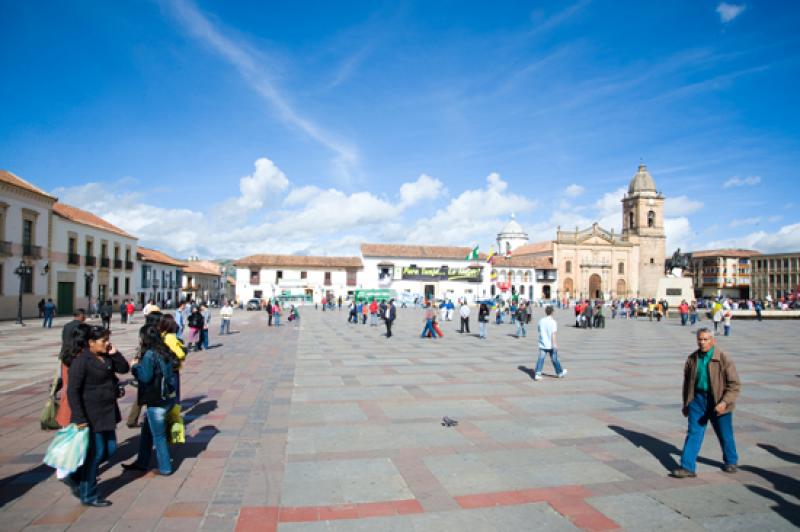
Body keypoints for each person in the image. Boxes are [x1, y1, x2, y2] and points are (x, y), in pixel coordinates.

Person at [66, 326, 130, 507]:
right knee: (95, 454)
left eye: (108, 339)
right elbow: (73, 391)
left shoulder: (106, 356)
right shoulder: (82, 361)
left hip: (107, 412)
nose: (107, 343)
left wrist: (115, 353)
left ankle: (75, 475)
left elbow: (124, 368)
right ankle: (89, 494)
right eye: (103, 340)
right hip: (90, 414)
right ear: (91, 343)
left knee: (109, 450)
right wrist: (79, 418)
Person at [672, 328, 740, 478]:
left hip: (718, 400)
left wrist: (724, 402)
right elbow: (687, 383)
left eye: (705, 339)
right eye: (699, 339)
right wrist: (686, 403)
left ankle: (731, 461)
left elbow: (734, 385)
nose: (702, 342)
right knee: (693, 433)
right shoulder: (692, 358)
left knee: (724, 433)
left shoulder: (723, 358)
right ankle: (687, 467)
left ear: (712, 340)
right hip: (697, 400)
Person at [122, 325, 179, 476]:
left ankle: (165, 467)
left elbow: (146, 376)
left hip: (155, 401)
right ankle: (142, 462)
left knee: (158, 437)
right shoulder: (165, 351)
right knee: (147, 432)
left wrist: (134, 367)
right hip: (166, 397)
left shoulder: (149, 355)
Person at [534, 306, 567, 381]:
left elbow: (539, 330)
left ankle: (537, 374)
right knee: (555, 359)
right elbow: (554, 334)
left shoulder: (541, 320)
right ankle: (559, 373)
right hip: (551, 344)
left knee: (541, 359)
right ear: (552, 312)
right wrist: (555, 344)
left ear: (546, 312)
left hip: (543, 343)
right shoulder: (553, 322)